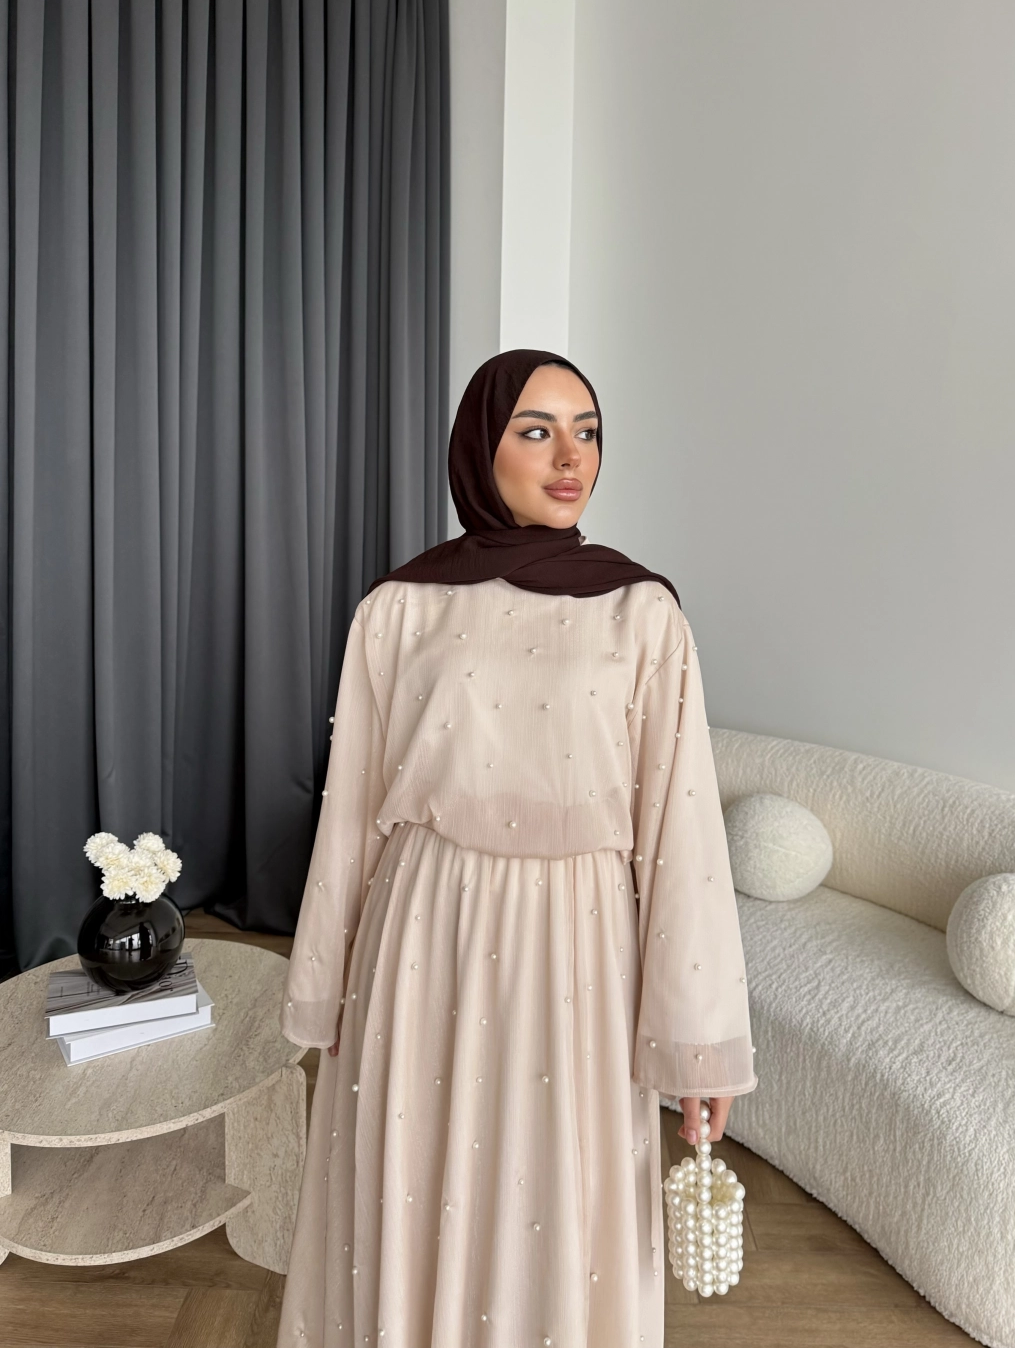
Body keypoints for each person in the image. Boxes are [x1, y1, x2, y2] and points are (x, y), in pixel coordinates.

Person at [275, 348, 758, 1348]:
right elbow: (350, 808)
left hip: (579, 949)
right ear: (478, 450)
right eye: (536, 431)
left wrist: (700, 1040)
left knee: (561, 1191)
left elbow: (683, 837)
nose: (570, 457)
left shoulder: (642, 612)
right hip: (422, 933)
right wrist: (324, 984)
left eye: (587, 431)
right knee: (408, 1178)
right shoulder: (399, 607)